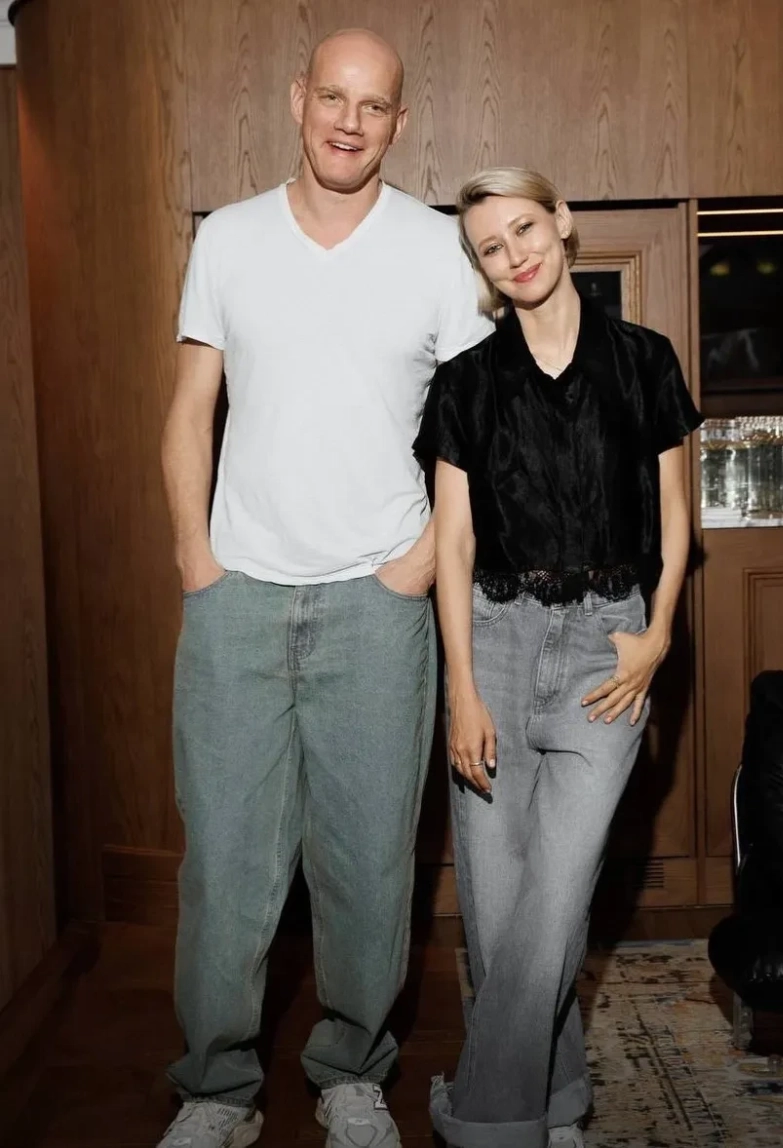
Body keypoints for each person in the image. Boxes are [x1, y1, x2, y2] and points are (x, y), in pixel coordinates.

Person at [158, 28, 492, 1148]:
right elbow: (188, 412)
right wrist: (197, 562)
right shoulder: (228, 238)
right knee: (226, 865)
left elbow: (477, 438)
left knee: (368, 864)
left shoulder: (439, 250)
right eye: (333, 97)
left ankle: (352, 1071)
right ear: (299, 99)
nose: (350, 121)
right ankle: (216, 1089)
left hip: (375, 606)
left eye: (374, 104)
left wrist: (414, 569)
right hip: (237, 602)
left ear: (400, 122)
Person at [413, 167, 703, 1148]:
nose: (516, 255)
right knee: (500, 916)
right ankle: (558, 1098)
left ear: (563, 221)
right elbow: (454, 544)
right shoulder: (464, 383)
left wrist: (658, 633)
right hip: (492, 643)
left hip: (605, 650)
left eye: (526, 230)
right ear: (482, 267)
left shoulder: (645, 360)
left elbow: (676, 515)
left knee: (557, 891)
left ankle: (487, 1118)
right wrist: (461, 688)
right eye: (491, 247)